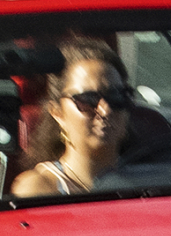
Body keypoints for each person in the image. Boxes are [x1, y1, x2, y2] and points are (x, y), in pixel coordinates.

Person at [11, 36, 132, 198]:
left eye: (117, 96)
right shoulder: (38, 189)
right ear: (58, 113)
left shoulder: (157, 180)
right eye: (88, 99)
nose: (105, 110)